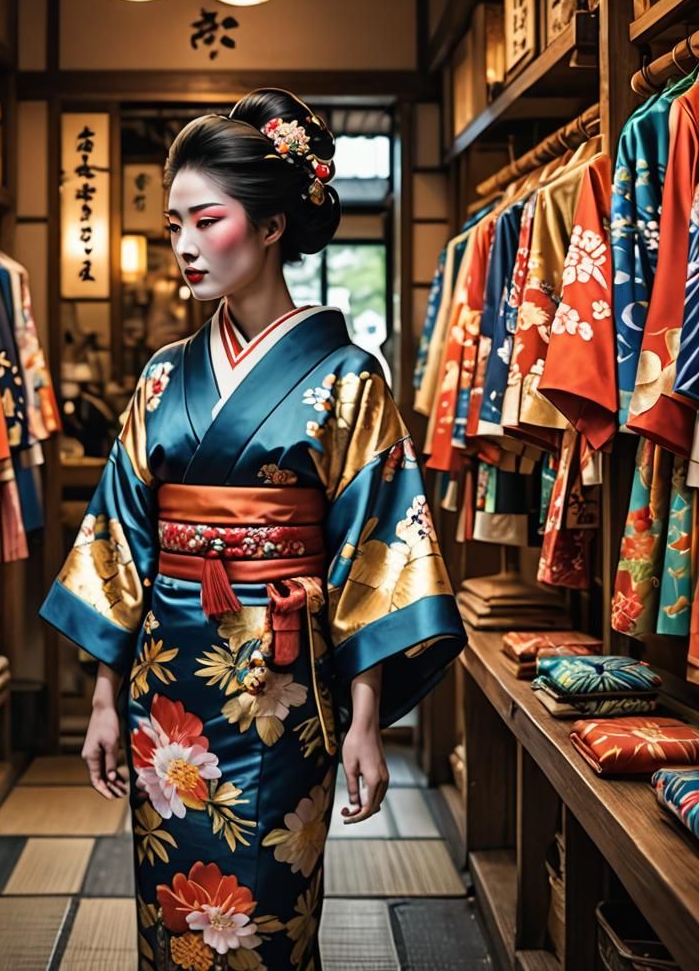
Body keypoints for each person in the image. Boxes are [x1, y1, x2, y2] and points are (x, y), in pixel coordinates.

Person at [39, 88, 467, 971]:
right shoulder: (164, 376)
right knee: (174, 914)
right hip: (168, 694)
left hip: (285, 687)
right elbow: (120, 533)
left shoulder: (348, 378)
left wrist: (365, 719)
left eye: (207, 219)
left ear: (271, 226)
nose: (186, 246)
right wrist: (102, 698)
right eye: (173, 227)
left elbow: (379, 547)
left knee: (268, 911)